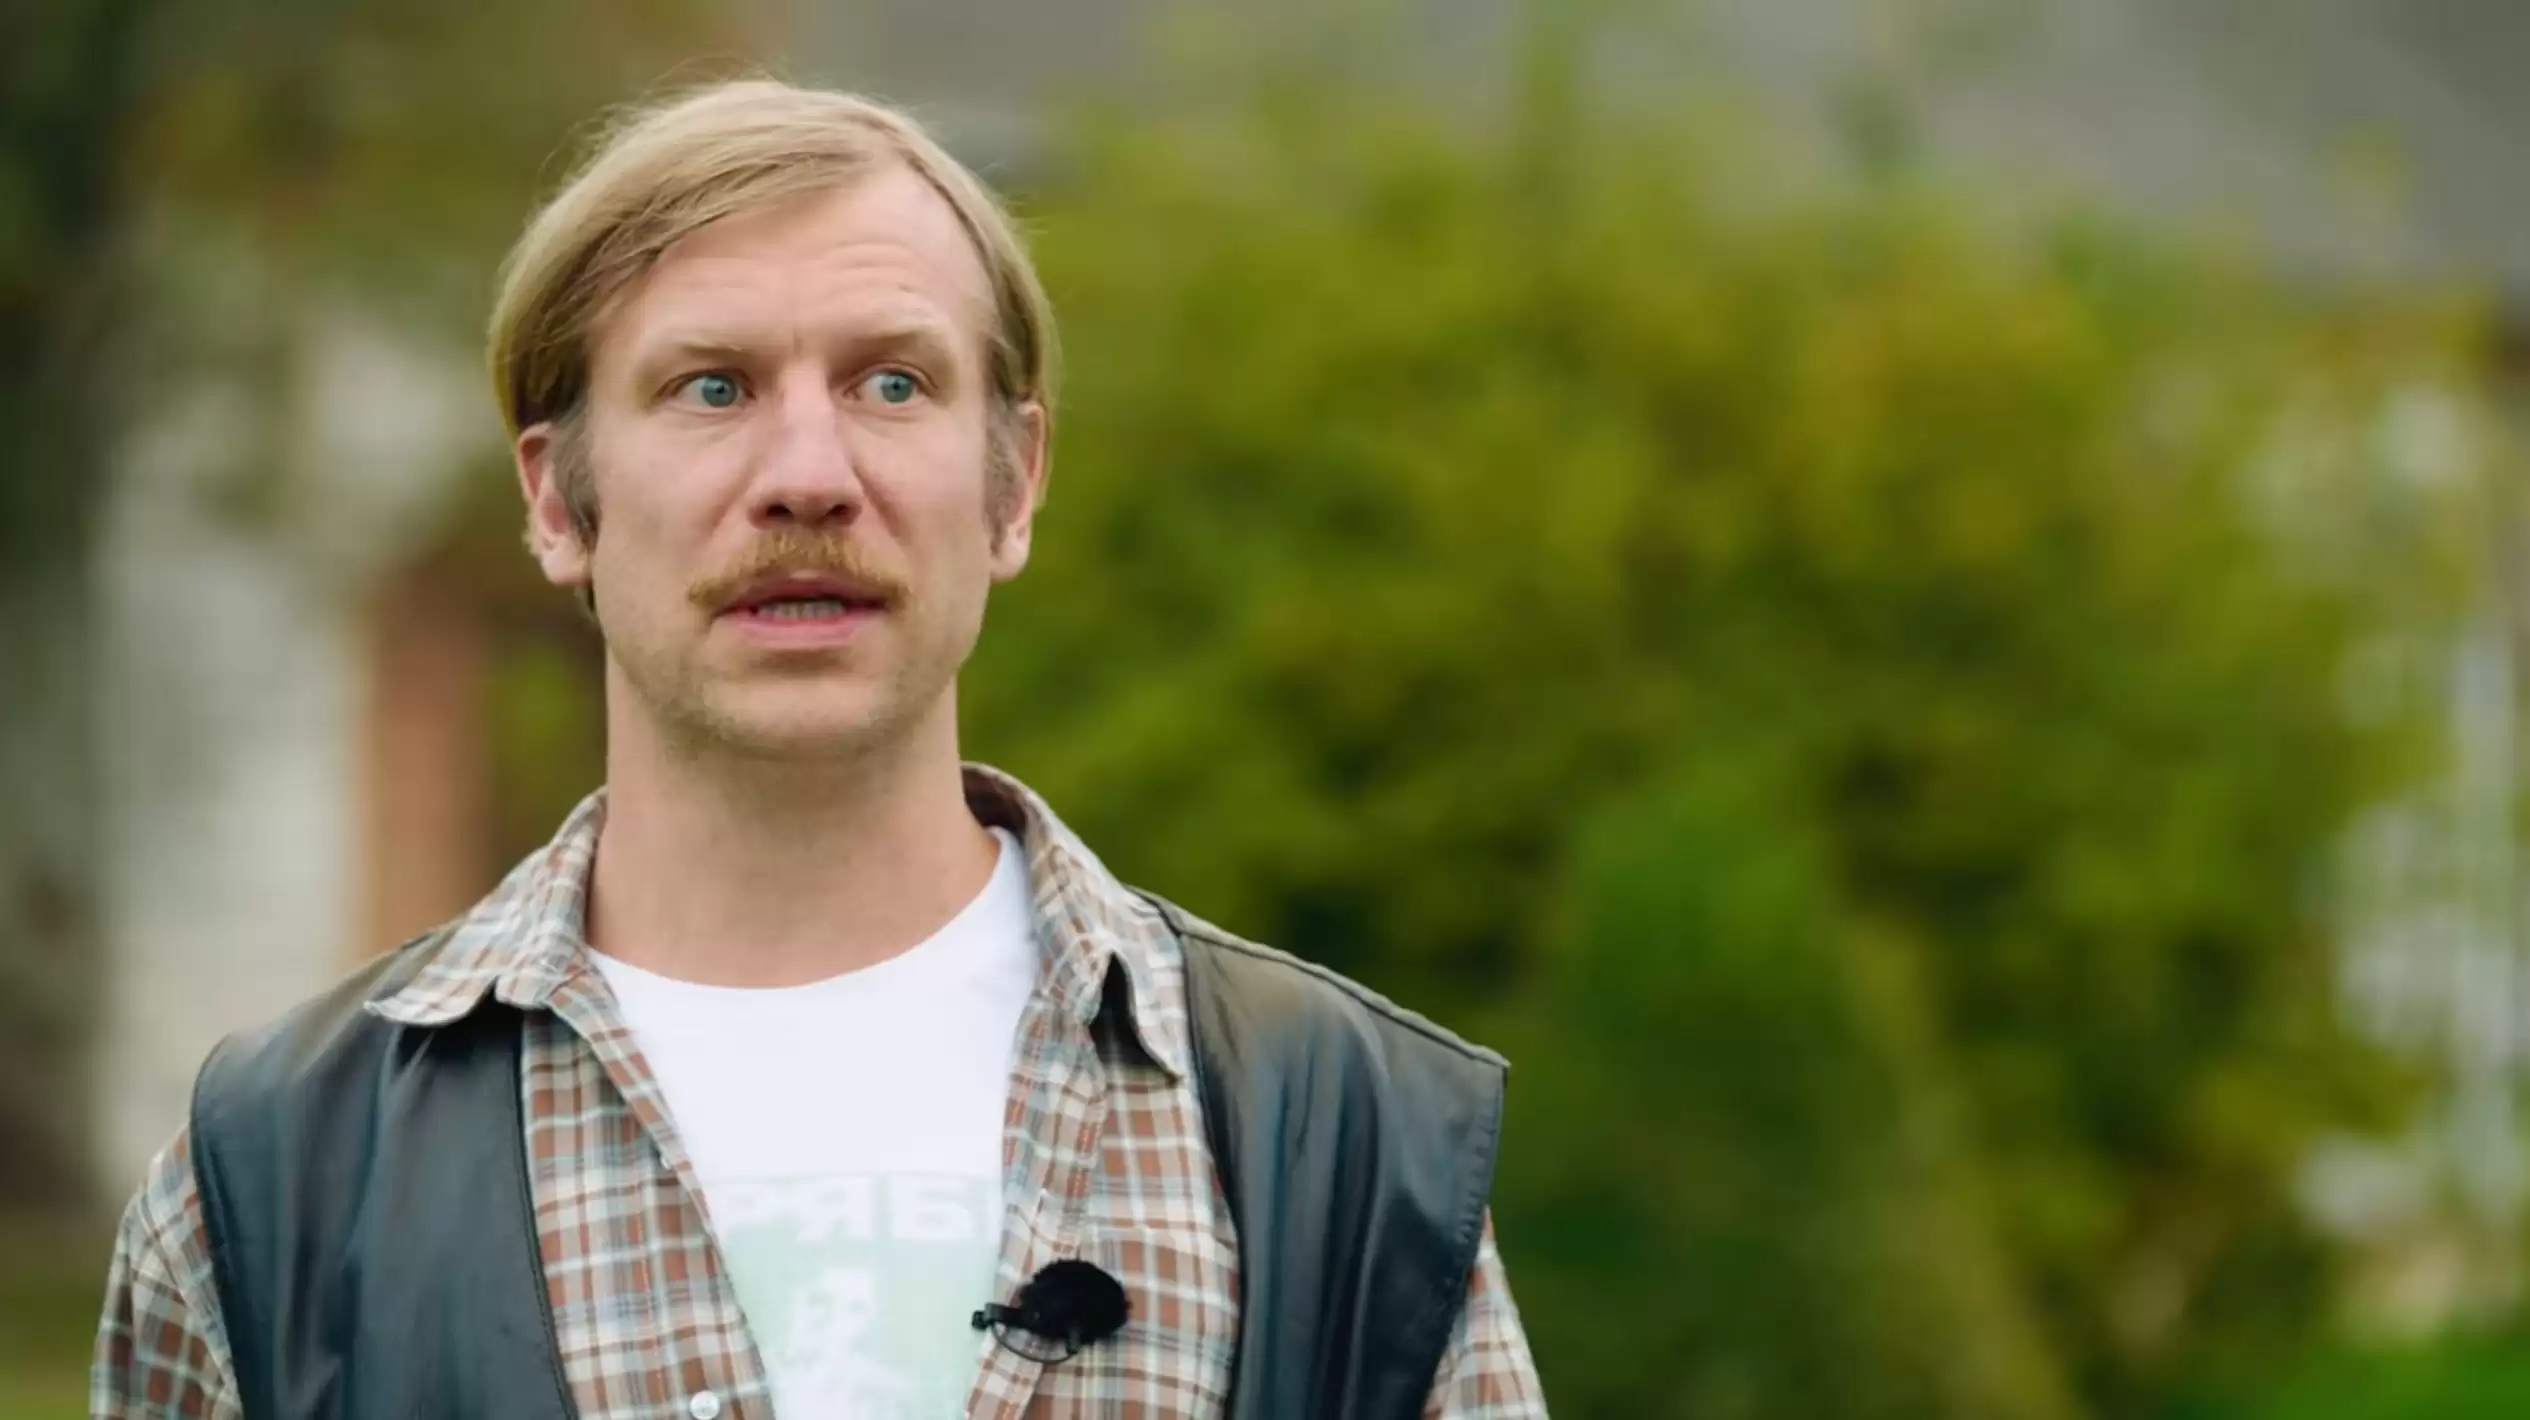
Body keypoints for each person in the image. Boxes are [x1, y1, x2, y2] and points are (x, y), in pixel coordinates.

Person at [90, 79, 1545, 1420]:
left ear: (1014, 485)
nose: (807, 476)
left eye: (892, 383)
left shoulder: (1339, 1137)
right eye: (712, 387)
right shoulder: (270, 1184)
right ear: (557, 503)